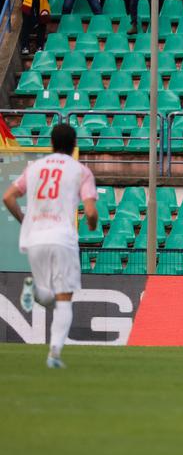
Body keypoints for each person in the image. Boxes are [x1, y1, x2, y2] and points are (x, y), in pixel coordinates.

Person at [2, 123, 98, 369]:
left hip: (35, 238)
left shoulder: (34, 168)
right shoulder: (80, 171)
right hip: (62, 238)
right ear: (74, 144)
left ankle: (34, 288)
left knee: (48, 295)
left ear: (52, 143)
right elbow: (90, 211)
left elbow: (8, 197)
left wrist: (24, 220)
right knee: (64, 299)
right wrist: (92, 223)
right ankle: (54, 353)